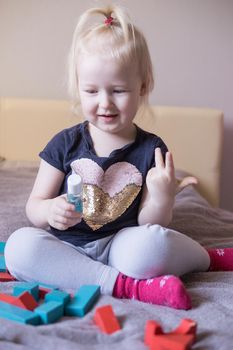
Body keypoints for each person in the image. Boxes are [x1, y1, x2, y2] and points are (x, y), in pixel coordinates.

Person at [4, 4, 231, 310]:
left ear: (143, 86)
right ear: (78, 90)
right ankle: (125, 286)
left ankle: (206, 258)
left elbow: (150, 223)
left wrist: (163, 197)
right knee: (19, 248)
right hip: (67, 246)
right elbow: (34, 206)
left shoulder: (151, 149)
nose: (105, 103)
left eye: (119, 90)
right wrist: (49, 211)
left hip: (121, 245)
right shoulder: (64, 143)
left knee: (152, 246)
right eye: (92, 91)